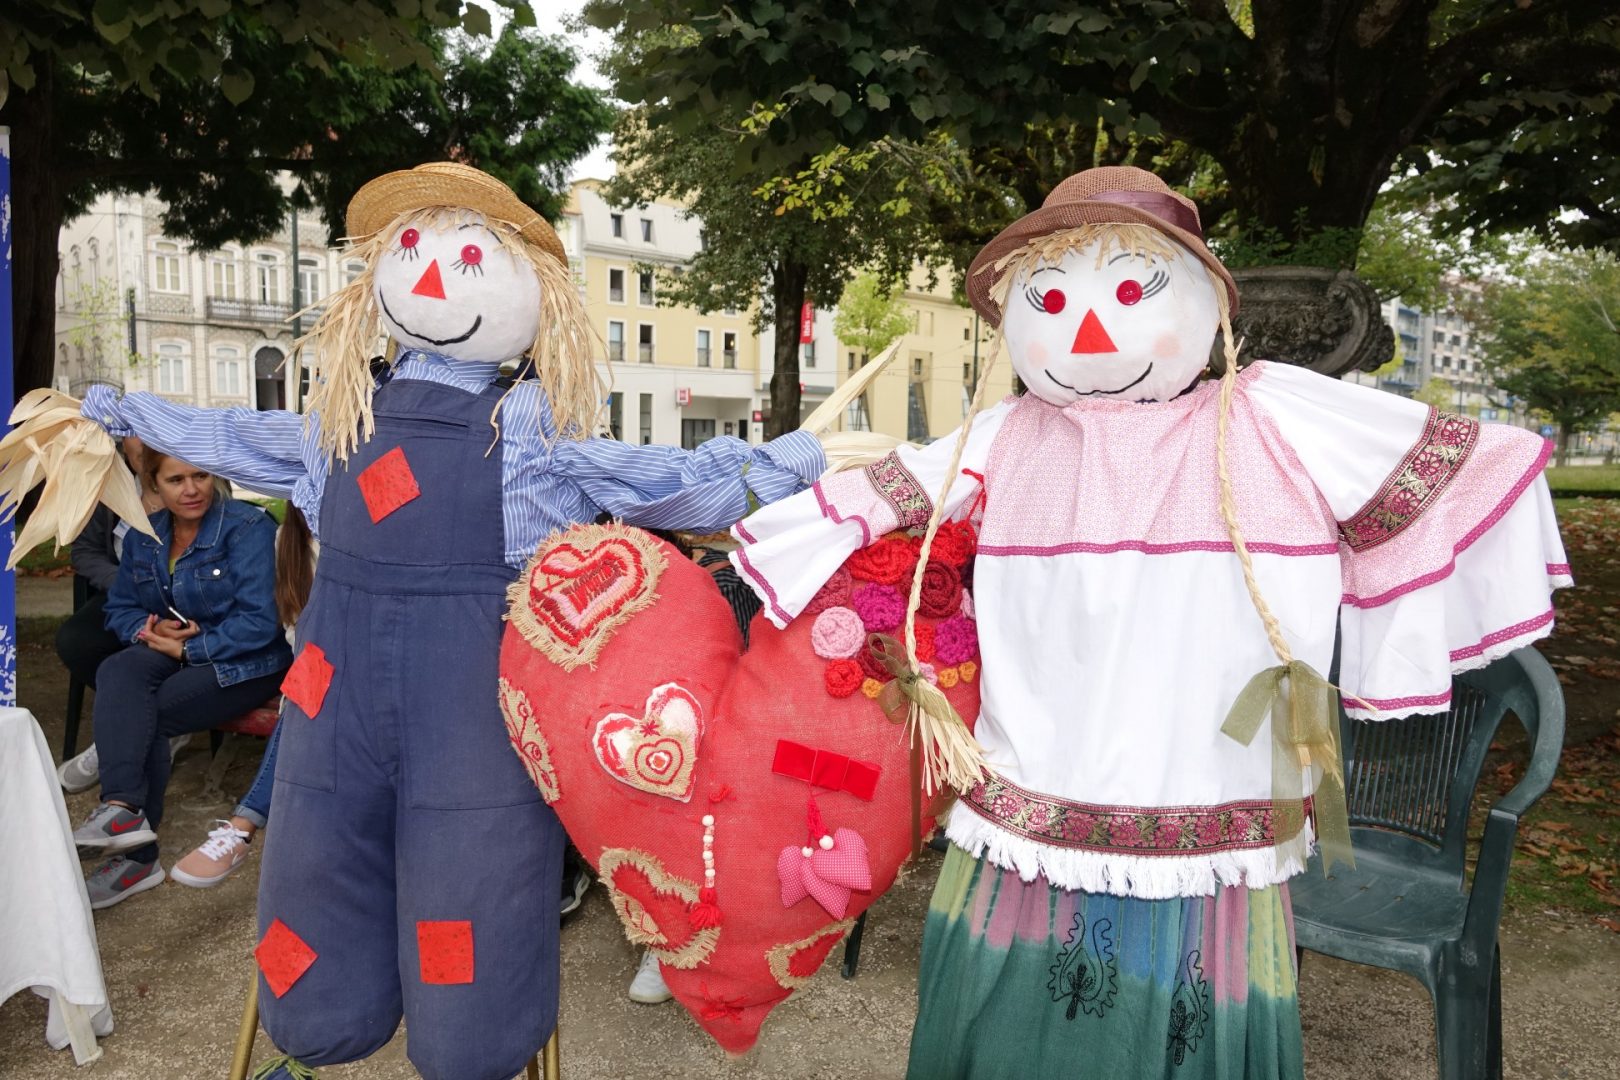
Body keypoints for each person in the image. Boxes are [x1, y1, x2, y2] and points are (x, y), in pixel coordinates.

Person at [726, 166, 1570, 1078]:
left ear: (1209, 306)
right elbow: (879, 495)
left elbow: (1451, 474)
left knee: (1179, 1007)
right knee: (1010, 1008)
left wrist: (1380, 643)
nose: (1090, 331)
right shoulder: (1007, 433)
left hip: (1206, 783)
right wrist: (744, 516)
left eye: (1132, 293)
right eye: (1051, 300)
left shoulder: (1268, 417)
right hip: (1036, 780)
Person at [67, 163, 825, 1080]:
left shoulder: (528, 432)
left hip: (470, 723)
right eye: (413, 249)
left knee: (471, 881)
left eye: (467, 259)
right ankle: (323, 1024)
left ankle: (460, 1041)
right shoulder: (340, 419)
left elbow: (666, 480)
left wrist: (780, 465)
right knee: (320, 867)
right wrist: (127, 412)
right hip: (336, 712)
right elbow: (230, 434)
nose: (429, 275)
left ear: (534, 297)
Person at [70, 452, 293, 909]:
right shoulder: (144, 535)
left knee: (150, 713)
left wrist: (189, 649)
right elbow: (121, 607)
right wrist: (150, 630)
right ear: (153, 484)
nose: (191, 489)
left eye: (200, 475)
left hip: (247, 662)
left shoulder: (247, 528)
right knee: (117, 668)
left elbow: (261, 622)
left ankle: (137, 860)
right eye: (176, 480)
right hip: (176, 650)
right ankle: (122, 809)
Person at [170, 505, 316, 888]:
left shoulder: (373, 528)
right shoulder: (290, 538)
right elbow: (296, 630)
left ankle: (242, 827)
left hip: (390, 666)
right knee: (313, 684)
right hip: (323, 675)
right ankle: (240, 830)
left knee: (316, 689)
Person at [55, 435, 194, 792]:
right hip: (125, 591)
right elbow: (85, 552)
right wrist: (126, 584)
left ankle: (126, 733)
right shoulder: (106, 487)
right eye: (138, 455)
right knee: (77, 640)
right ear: (123, 453)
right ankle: (145, 724)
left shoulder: (190, 482)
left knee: (156, 647)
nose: (146, 461)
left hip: (187, 593)